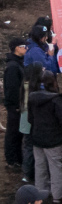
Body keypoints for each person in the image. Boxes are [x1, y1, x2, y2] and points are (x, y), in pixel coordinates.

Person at [27, 70, 62, 203]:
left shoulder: (32, 98)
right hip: (54, 140)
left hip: (37, 138)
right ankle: (58, 195)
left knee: (40, 166)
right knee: (55, 166)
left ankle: (40, 193)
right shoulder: (56, 100)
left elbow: (30, 119)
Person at [4, 37, 27, 167]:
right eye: (24, 46)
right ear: (17, 48)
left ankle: (17, 157)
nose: (26, 48)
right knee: (13, 132)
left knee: (18, 132)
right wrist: (16, 105)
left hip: (18, 104)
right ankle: (12, 160)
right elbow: (12, 88)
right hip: (15, 105)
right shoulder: (13, 66)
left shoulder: (18, 63)